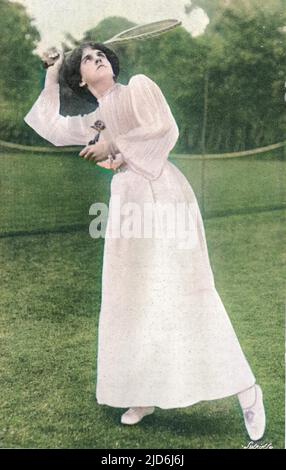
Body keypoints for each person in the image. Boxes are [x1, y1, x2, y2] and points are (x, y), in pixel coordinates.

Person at [24, 42, 266, 441]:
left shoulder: (138, 87)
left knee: (186, 291)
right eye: (86, 58)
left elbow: (164, 128)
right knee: (129, 296)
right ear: (81, 79)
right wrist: (52, 72)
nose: (97, 58)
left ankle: (246, 390)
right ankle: (142, 393)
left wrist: (114, 146)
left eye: (100, 54)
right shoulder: (94, 118)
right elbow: (50, 127)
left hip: (164, 197)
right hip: (127, 205)